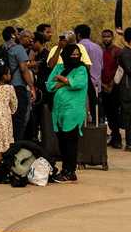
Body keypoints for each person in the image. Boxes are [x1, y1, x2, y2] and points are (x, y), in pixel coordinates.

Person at [47, 43, 91, 183]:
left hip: (73, 111)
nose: (75, 57)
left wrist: (62, 80)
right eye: (72, 54)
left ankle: (70, 172)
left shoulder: (81, 69)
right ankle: (65, 170)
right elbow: (49, 85)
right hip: (59, 110)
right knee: (62, 142)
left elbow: (78, 83)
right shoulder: (60, 67)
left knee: (70, 141)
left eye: (77, 55)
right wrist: (65, 82)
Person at [1, 27, 34, 143]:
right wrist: (32, 87)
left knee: (8, 119)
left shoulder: (3, 47)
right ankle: (15, 147)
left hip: (4, 87)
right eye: (18, 33)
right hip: (18, 87)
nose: (30, 40)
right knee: (19, 120)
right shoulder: (18, 48)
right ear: (14, 36)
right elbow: (23, 69)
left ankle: (5, 146)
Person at [98, 28, 121, 146]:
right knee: (104, 113)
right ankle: (111, 137)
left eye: (108, 36)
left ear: (112, 37)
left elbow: (119, 69)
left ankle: (117, 137)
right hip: (101, 85)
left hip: (114, 86)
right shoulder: (99, 50)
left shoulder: (117, 51)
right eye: (104, 36)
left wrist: (111, 84)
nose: (106, 38)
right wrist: (102, 84)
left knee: (114, 113)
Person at [75, 24, 104, 97]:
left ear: (78, 35)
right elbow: (101, 67)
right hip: (97, 86)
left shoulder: (77, 47)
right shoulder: (98, 47)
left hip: (83, 87)